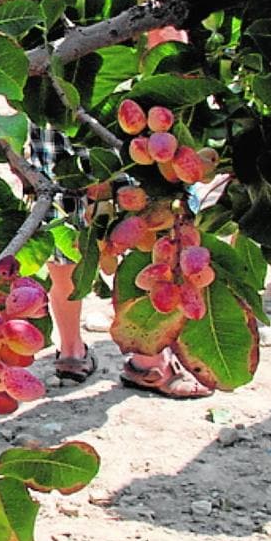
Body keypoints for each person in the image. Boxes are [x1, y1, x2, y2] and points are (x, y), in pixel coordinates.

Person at [29, 124, 211, 399]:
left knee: (65, 243)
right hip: (124, 135)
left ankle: (71, 353)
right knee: (148, 242)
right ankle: (148, 363)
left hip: (57, 130)